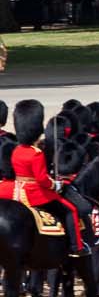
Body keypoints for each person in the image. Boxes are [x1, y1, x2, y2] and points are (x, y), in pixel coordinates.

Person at [3, 100, 81, 253]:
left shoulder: (17, 150)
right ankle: (75, 247)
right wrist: (56, 185)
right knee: (70, 210)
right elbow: (42, 179)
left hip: (17, 191)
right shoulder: (36, 153)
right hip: (34, 193)